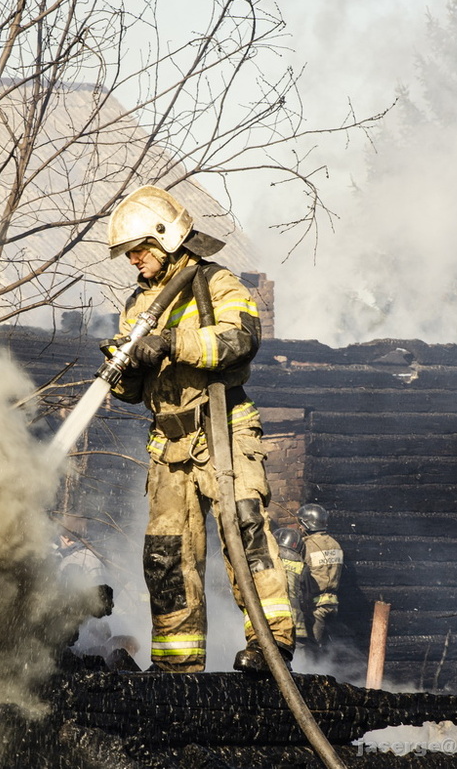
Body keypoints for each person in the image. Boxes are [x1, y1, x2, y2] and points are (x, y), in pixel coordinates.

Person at [101, 185, 294, 673]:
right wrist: (125, 368)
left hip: (223, 431)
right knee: (166, 555)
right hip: (168, 444)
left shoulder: (218, 283)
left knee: (244, 532)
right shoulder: (137, 305)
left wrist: (170, 342)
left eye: (138, 249)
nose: (132, 260)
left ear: (166, 238)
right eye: (128, 253)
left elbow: (239, 340)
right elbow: (133, 391)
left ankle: (272, 647)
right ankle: (177, 665)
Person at [295, 503, 343, 648]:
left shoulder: (306, 546)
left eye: (301, 524)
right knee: (328, 647)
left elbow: (300, 574)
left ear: (307, 524)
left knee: (313, 648)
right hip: (333, 604)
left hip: (315, 606)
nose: (300, 528)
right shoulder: (335, 544)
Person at [273, 526, 310, 650]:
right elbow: (306, 592)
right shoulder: (301, 565)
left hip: (271, 613)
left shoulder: (271, 559)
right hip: (295, 616)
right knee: (298, 649)